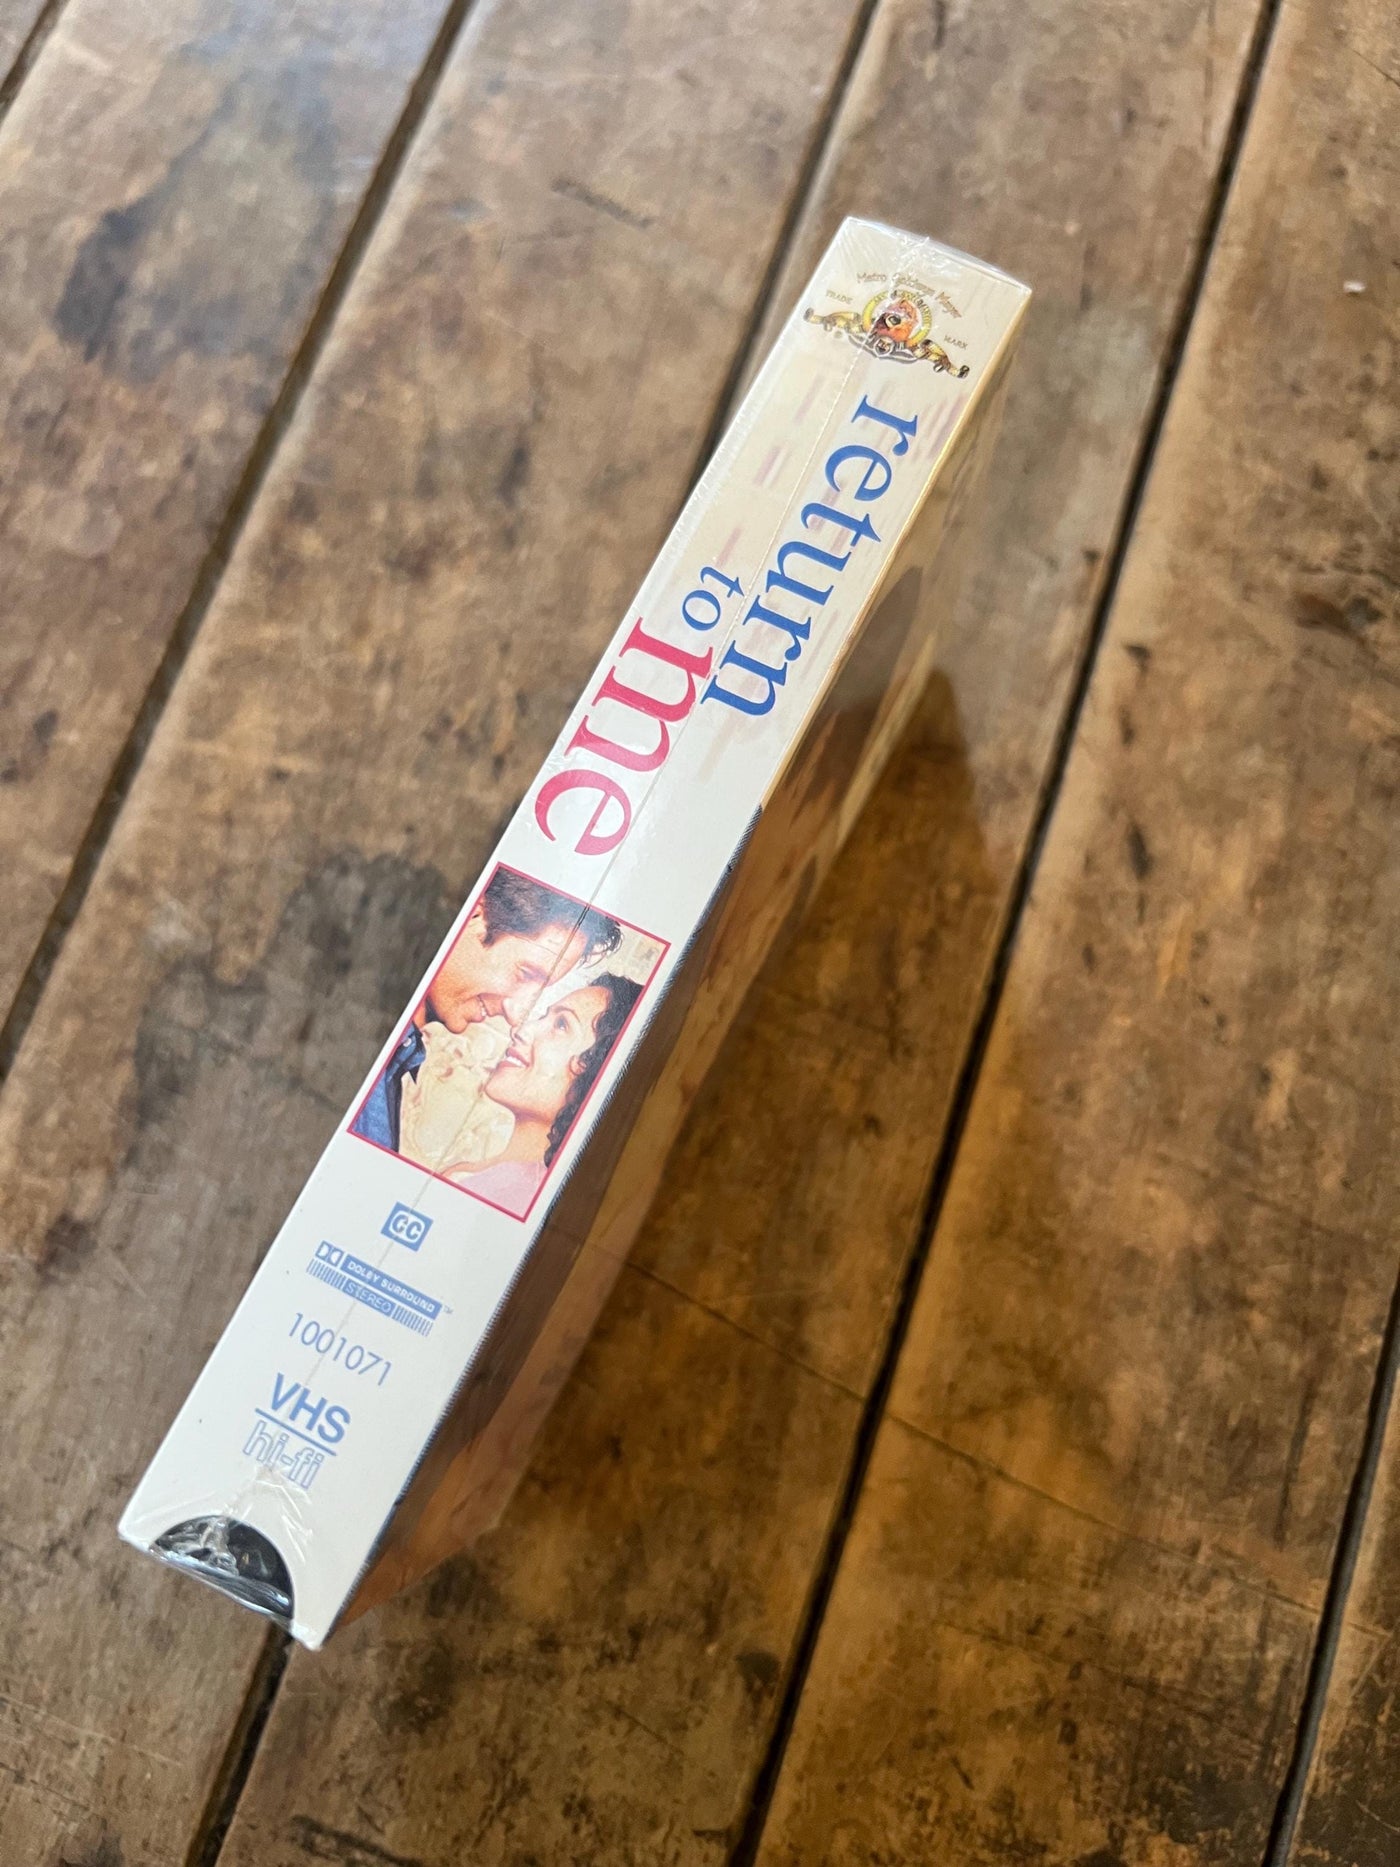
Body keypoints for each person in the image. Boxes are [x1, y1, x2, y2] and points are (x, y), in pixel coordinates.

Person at [351, 868, 620, 1152]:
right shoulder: (353, 1033)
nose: (515, 1016)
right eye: (526, 973)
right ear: (474, 917)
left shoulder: (397, 1059)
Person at [446, 972, 642, 1217]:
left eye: (561, 1025)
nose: (522, 1030)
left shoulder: (528, 1199)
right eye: (543, 1017)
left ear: (599, 1072)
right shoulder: (477, 1175)